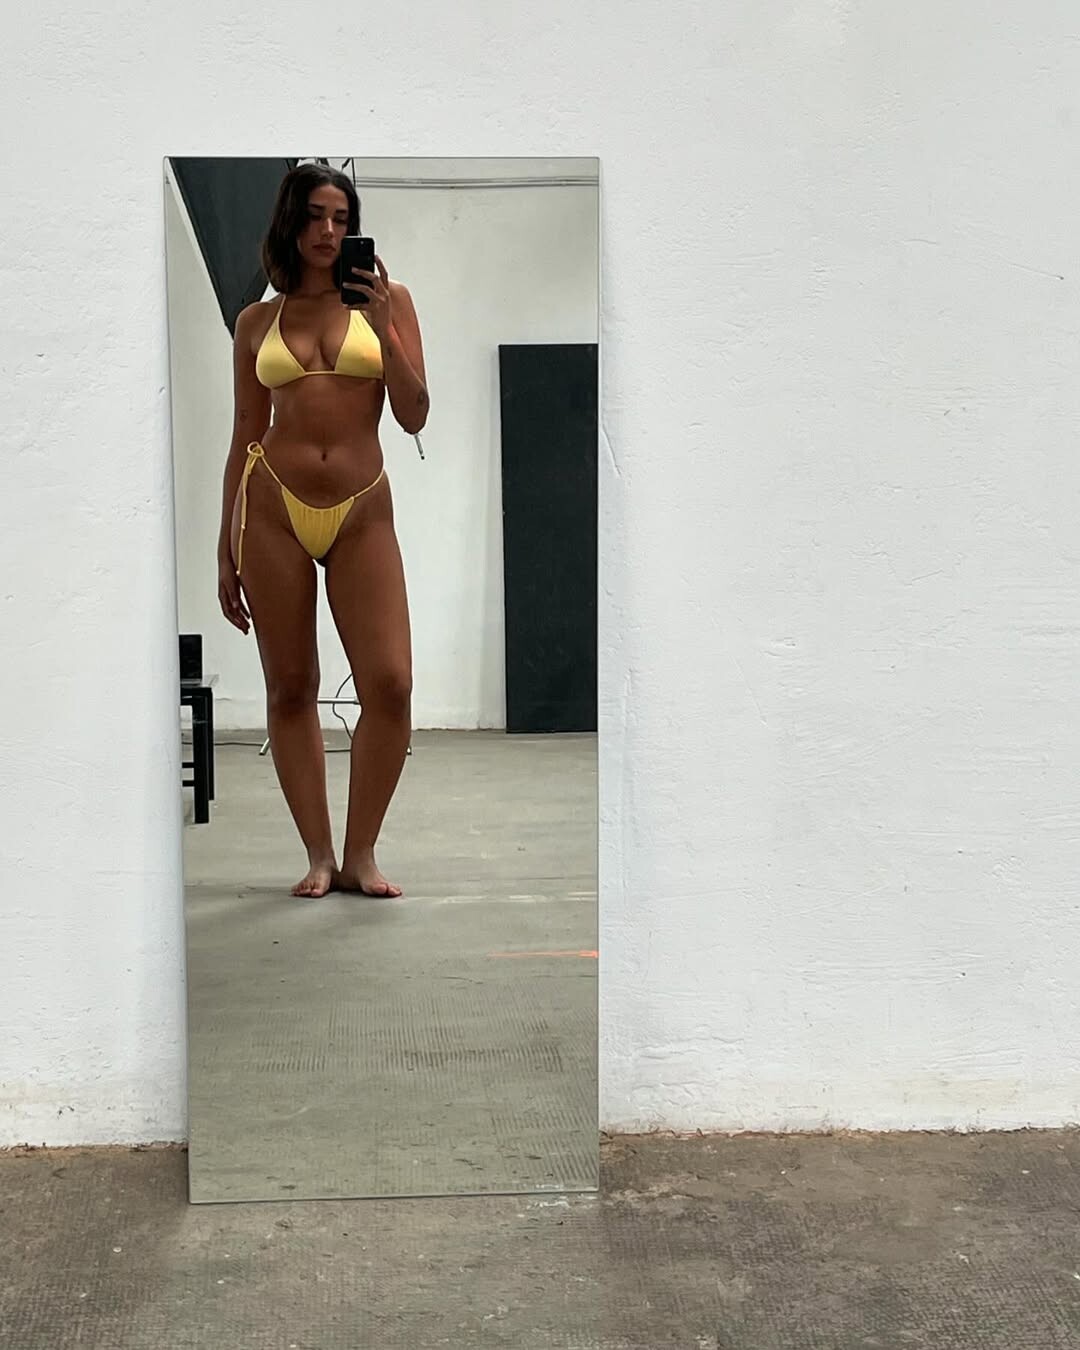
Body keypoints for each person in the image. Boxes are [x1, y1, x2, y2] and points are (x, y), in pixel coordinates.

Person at [216, 162, 428, 899]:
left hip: (362, 508)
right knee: (291, 685)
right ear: (290, 222)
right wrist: (224, 547)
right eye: (313, 215)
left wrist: (384, 330)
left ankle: (362, 853)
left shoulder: (390, 302)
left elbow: (414, 414)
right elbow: (245, 435)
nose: (328, 231)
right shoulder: (257, 322)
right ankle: (318, 854)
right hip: (271, 507)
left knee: (391, 684)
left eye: (341, 218)